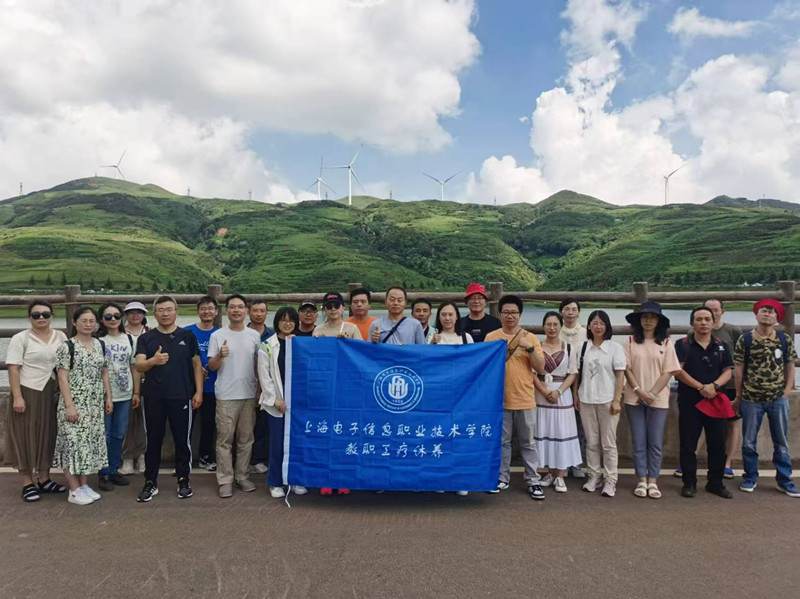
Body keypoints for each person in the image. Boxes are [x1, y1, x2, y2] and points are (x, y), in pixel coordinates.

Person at [135, 296, 203, 502]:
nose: (165, 313)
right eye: (161, 310)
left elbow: (196, 364)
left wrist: (198, 392)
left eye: (169, 309)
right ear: (154, 314)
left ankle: (183, 479)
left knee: (182, 440)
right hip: (153, 397)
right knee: (153, 440)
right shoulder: (146, 338)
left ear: (176, 312)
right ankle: (150, 481)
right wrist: (153, 361)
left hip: (181, 395)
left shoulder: (188, 336)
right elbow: (139, 366)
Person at [733, 299, 799, 497]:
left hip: (778, 398)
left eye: (772, 312)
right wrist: (739, 395)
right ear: (756, 314)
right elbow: (738, 369)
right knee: (748, 441)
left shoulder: (784, 339)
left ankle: (784, 480)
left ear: (777, 318)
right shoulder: (745, 339)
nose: (767, 314)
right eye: (764, 310)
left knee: (781, 442)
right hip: (751, 398)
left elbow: (790, 365)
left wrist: (787, 390)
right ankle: (750, 476)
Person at [5, 300, 68, 502]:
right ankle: (27, 481)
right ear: (29, 317)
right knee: (25, 435)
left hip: (52, 391)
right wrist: (17, 396)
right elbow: (13, 368)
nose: (41, 318)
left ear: (52, 316)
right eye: (36, 314)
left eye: (45, 314)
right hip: (28, 390)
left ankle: (44, 478)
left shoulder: (61, 336)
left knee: (48, 433)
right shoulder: (20, 338)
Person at [674, 298, 743, 480]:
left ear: (713, 323)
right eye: (699, 319)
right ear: (692, 323)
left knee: (717, 444)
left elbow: (728, 371)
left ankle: (716, 483)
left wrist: (714, 386)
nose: (703, 323)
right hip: (690, 400)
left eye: (707, 319)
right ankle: (689, 483)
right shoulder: (682, 344)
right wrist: (701, 387)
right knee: (688, 444)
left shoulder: (721, 345)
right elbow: (678, 371)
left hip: (715, 400)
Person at [485, 295, 546, 500]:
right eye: (506, 312)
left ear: (520, 315)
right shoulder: (491, 337)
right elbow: (485, 367)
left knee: (528, 443)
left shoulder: (530, 337)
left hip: (525, 398)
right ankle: (502, 477)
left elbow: (541, 367)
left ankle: (533, 480)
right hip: (500, 400)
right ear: (500, 314)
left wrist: (529, 348)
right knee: (503, 442)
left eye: (514, 312)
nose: (510, 316)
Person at [53, 307, 113, 505]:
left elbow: (104, 372)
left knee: (88, 445)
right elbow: (62, 377)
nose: (88, 324)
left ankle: (84, 485)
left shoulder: (100, 344)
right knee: (72, 445)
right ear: (74, 322)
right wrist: (69, 406)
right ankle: (73, 488)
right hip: (74, 403)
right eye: (84, 320)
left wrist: (108, 397)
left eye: (91, 321)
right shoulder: (67, 347)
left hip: (94, 404)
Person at [622, 302, 681, 499]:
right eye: (645, 317)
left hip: (659, 399)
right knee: (638, 441)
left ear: (658, 321)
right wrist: (639, 391)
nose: (648, 320)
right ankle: (641, 479)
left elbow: (669, 372)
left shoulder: (666, 343)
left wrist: (652, 394)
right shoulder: (630, 341)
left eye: (652, 317)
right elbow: (626, 369)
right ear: (639, 320)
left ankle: (653, 481)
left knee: (655, 442)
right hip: (634, 398)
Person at [208, 294, 262, 498]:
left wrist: (259, 389)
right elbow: (212, 366)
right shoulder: (217, 335)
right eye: (232, 307)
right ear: (227, 311)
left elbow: (258, 365)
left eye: (240, 307)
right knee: (224, 440)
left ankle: (242, 475)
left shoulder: (253, 335)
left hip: (248, 393)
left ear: (246, 311)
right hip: (226, 395)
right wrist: (220, 355)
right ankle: (225, 479)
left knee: (246, 439)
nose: (236, 310)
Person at [258, 307, 308, 498]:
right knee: (277, 444)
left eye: (291, 320)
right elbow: (264, 376)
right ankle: (275, 482)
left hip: (299, 402)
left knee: (297, 442)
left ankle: (296, 479)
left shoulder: (300, 343)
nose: (287, 323)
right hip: (278, 403)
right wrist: (274, 399)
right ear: (277, 322)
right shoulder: (267, 345)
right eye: (283, 319)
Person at [575, 310, 626, 498]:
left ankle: (610, 479)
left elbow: (620, 375)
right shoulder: (582, 347)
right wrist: (576, 395)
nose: (598, 326)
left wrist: (617, 400)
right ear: (588, 326)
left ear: (607, 326)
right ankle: (594, 476)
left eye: (602, 323)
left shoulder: (615, 348)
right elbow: (576, 375)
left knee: (608, 443)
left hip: (607, 400)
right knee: (592, 442)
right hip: (586, 399)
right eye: (594, 323)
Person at [532, 311, 581, 494]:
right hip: (541, 394)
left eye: (555, 324)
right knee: (544, 431)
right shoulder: (537, 347)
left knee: (561, 432)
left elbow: (572, 373)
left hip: (562, 394)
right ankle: (549, 473)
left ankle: (560, 475)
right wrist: (545, 392)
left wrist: (558, 392)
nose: (552, 328)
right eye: (548, 324)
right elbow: (532, 373)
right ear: (543, 326)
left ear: (561, 326)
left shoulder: (569, 348)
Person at [96, 302, 139, 492]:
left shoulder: (129, 339)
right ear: (101, 320)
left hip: (125, 393)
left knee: (118, 434)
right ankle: (103, 472)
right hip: (103, 394)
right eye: (108, 316)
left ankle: (114, 469)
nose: (113, 319)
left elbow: (134, 367)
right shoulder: (98, 341)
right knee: (104, 435)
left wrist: (136, 391)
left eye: (116, 316)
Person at [185, 296, 219, 471]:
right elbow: (180, 358)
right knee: (186, 425)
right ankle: (184, 460)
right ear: (198, 311)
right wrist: (195, 370)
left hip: (213, 387)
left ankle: (205, 457)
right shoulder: (187, 332)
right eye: (203, 308)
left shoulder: (220, 334)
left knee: (209, 425)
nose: (207, 312)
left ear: (216, 312)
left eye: (210, 308)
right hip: (190, 388)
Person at [119, 301, 149, 475]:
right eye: (131, 312)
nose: (135, 315)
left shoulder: (150, 333)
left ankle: (143, 455)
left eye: (139, 312)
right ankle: (127, 457)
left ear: (144, 315)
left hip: (148, 382)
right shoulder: (120, 334)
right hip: (123, 383)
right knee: (127, 423)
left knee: (146, 422)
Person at [559, 297, 587, 480]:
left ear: (578, 313)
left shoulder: (586, 333)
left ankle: (577, 463)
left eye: (574, 309)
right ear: (561, 312)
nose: (570, 312)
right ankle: (560, 463)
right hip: (559, 383)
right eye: (567, 309)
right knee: (561, 425)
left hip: (582, 382)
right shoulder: (555, 330)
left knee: (580, 425)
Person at [248, 298, 275, 474]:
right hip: (244, 385)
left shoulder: (273, 334)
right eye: (255, 310)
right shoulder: (241, 332)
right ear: (248, 312)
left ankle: (258, 459)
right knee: (244, 428)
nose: (259, 314)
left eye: (262, 311)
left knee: (262, 426)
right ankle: (243, 461)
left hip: (266, 387)